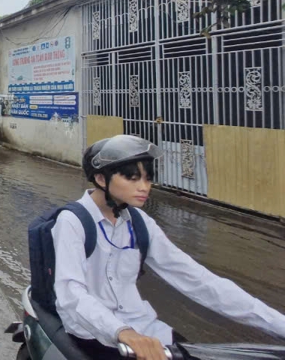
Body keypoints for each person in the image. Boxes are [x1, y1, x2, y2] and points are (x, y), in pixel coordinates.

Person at [52, 135, 285, 360]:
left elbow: (198, 280)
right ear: (102, 179)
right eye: (132, 178)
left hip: (147, 330)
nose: (144, 187)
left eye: (148, 178)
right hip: (94, 333)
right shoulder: (72, 221)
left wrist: (277, 324)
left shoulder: (141, 223)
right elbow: (71, 292)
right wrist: (123, 332)